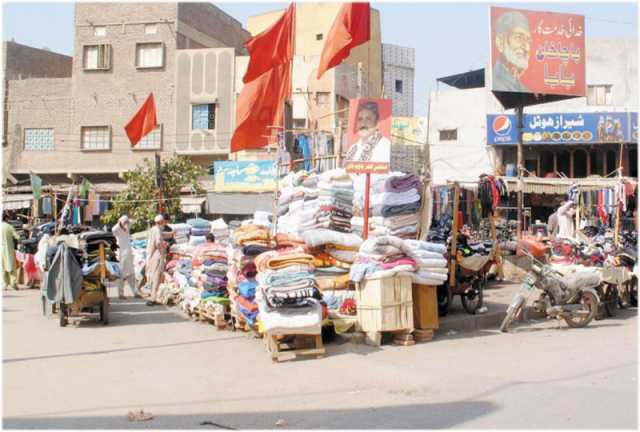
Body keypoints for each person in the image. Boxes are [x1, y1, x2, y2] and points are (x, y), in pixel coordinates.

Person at [492, 10, 531, 93]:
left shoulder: (525, 91)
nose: (526, 48)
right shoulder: (494, 82)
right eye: (519, 38)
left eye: (528, 41)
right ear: (500, 42)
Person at [111, 215, 140, 299]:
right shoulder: (116, 229)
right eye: (124, 223)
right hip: (120, 255)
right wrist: (120, 222)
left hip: (128, 254)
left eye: (127, 223)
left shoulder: (128, 226)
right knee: (120, 275)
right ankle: (120, 293)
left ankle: (135, 292)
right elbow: (113, 229)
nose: (126, 224)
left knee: (131, 273)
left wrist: (126, 221)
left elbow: (132, 220)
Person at [145, 214, 167, 306]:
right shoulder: (157, 230)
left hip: (152, 256)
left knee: (154, 276)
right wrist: (162, 250)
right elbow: (158, 242)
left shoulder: (153, 229)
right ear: (161, 222)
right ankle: (153, 299)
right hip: (157, 255)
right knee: (156, 277)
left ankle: (153, 297)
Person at [1, 218, 20, 290]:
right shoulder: (9, 227)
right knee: (11, 266)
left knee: (2, 267)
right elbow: (17, 237)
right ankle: (13, 283)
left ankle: (4, 285)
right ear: (6, 219)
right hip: (8, 249)